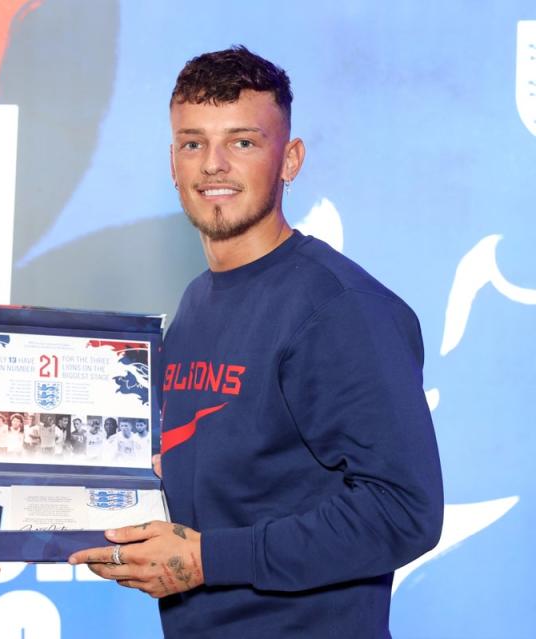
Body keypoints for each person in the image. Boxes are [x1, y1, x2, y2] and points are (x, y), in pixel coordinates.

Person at [70, 46, 443, 638]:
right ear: (173, 161)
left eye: (242, 142)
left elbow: (403, 512)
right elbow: (242, 471)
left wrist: (207, 561)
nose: (213, 165)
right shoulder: (196, 303)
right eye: (193, 143)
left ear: (289, 159)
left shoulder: (341, 309)